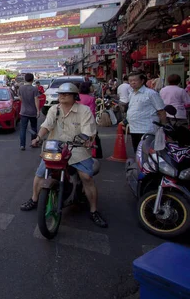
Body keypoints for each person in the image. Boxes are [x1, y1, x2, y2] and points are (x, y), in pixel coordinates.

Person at [20, 83, 108, 228]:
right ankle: (34, 199)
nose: (62, 96)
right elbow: (46, 126)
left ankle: (94, 210)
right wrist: (38, 138)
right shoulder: (54, 109)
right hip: (55, 147)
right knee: (40, 174)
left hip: (77, 148)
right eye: (60, 94)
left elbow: (88, 130)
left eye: (66, 94)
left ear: (75, 96)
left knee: (86, 177)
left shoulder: (84, 111)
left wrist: (86, 140)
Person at [126, 72, 167, 152]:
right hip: (134, 128)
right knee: (138, 152)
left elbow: (161, 111)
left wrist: (163, 127)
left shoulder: (151, 93)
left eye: (135, 80)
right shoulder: (132, 94)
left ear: (142, 81)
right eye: (130, 81)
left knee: (148, 153)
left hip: (147, 129)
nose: (132, 83)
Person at [18, 73, 40, 151]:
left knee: (23, 129)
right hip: (33, 112)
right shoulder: (34, 89)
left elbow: (20, 98)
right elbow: (36, 100)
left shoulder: (21, 88)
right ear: (32, 79)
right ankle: (33, 143)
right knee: (33, 128)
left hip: (23, 111)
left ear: (25, 79)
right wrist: (38, 111)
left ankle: (22, 145)